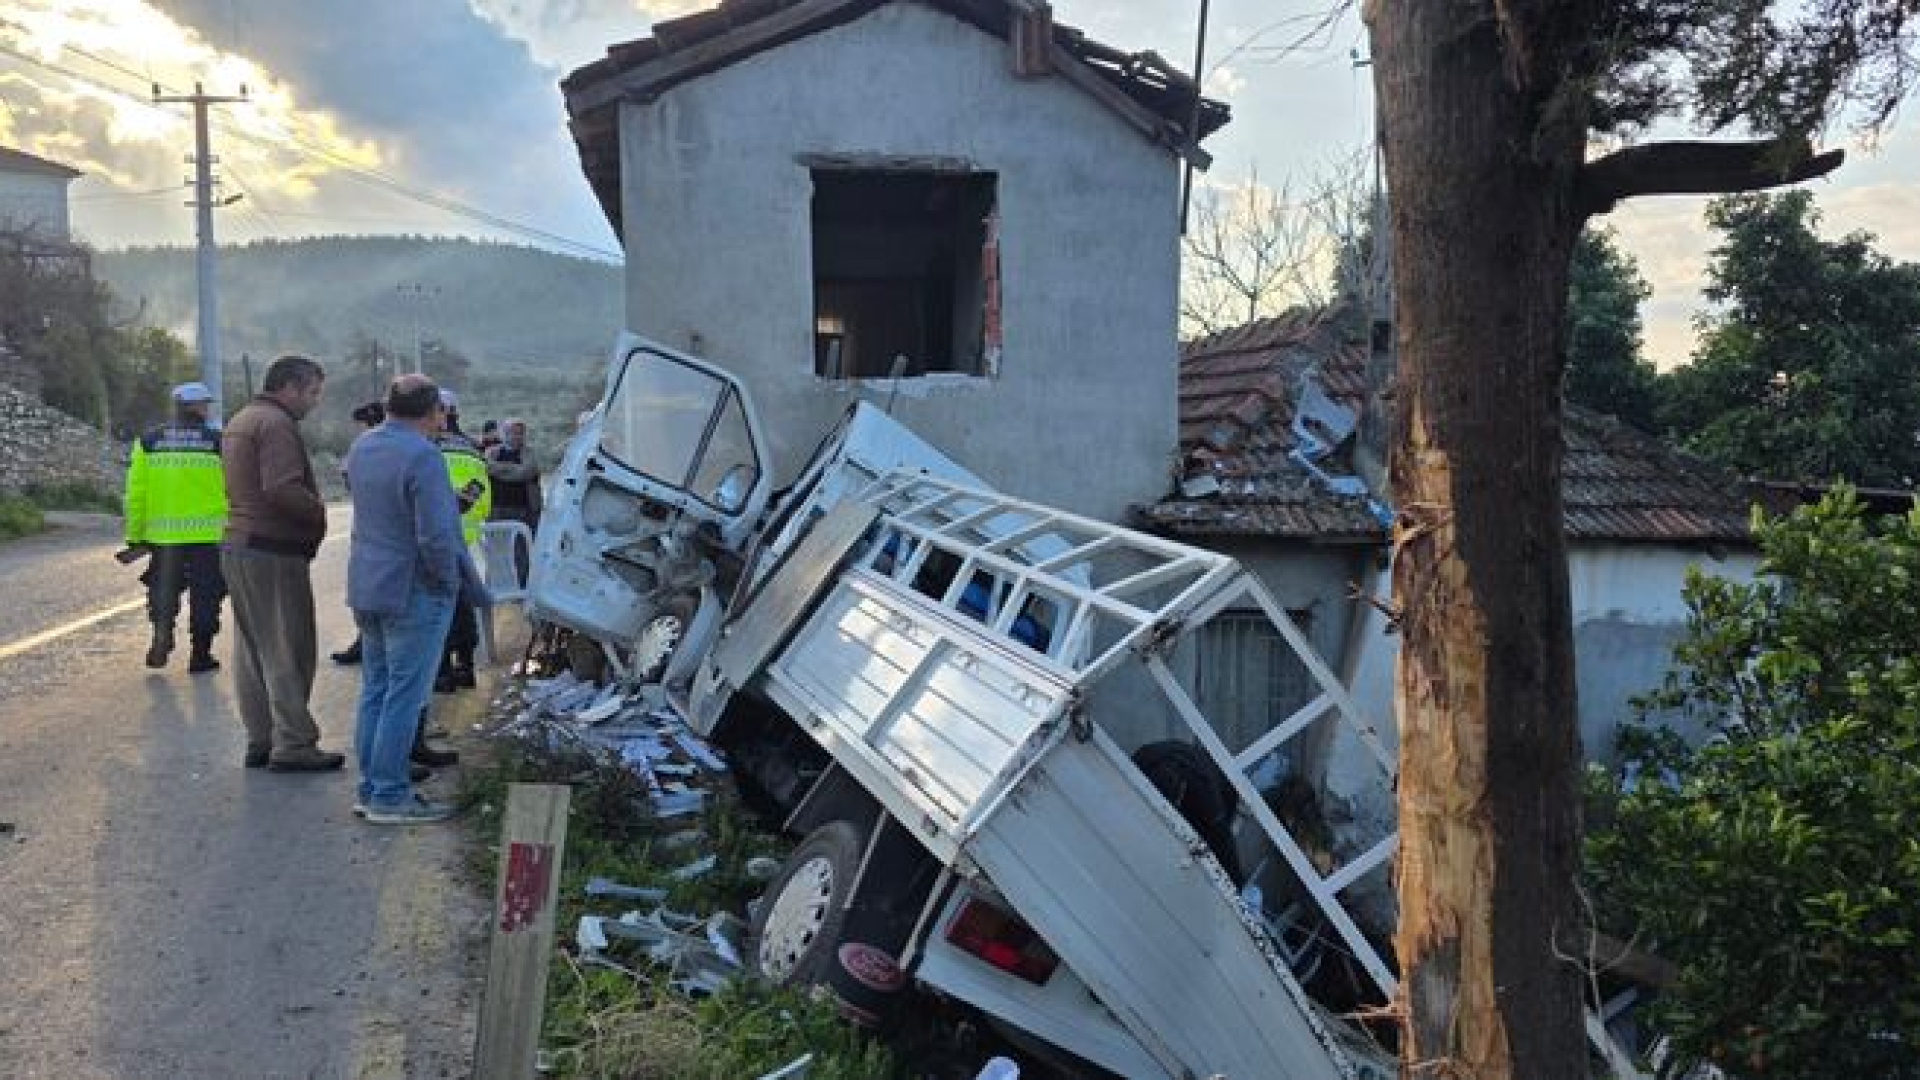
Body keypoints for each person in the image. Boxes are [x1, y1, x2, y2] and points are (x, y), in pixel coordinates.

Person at [345, 374, 484, 824]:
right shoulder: (423, 455)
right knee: (405, 697)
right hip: (412, 589)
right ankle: (390, 795)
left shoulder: (363, 446)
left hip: (368, 585)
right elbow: (436, 534)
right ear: (433, 412)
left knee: (376, 690)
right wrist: (448, 582)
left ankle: (370, 788)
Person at [220, 354, 340, 772]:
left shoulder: (242, 419)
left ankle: (262, 738)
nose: (314, 402)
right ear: (289, 387)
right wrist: (317, 512)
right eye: (312, 392)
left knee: (254, 650)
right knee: (289, 647)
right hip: (272, 548)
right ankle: (293, 742)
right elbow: (282, 488)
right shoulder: (277, 425)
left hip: (240, 545)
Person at [123, 381, 228, 673]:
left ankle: (162, 638)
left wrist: (135, 536)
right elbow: (233, 489)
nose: (207, 409)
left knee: (163, 590)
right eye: (205, 404)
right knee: (207, 595)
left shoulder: (148, 441)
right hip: (208, 537)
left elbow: (136, 494)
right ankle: (200, 655)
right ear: (196, 407)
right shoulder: (218, 441)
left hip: (163, 537)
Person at [435, 389, 489, 693]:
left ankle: (442, 670)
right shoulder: (472, 447)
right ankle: (466, 665)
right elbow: (481, 491)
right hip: (466, 537)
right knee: (462, 602)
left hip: (435, 537)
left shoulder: (427, 445)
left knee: (438, 607)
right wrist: (462, 507)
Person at [330, 401, 387, 667]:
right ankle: (366, 643)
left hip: (381, 531)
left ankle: (370, 645)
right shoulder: (368, 448)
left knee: (375, 591)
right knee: (370, 591)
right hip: (371, 529)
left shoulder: (373, 449)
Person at [485, 417, 541, 584]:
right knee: (496, 551)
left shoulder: (529, 454)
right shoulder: (491, 453)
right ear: (503, 434)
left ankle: (522, 587)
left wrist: (500, 470)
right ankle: (497, 585)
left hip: (524, 511)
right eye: (512, 433)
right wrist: (512, 469)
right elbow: (486, 467)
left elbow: (525, 472)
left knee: (522, 553)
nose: (517, 436)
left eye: (520, 433)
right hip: (497, 510)